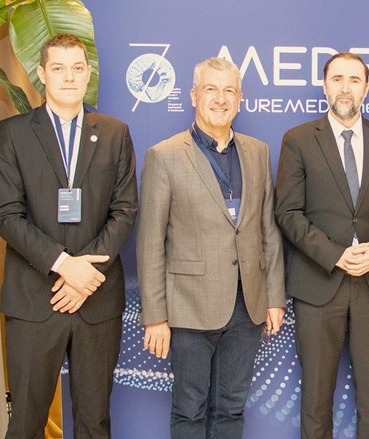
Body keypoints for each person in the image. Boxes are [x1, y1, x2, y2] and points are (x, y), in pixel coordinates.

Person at [0, 33, 138, 438]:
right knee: (26, 423)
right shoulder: (14, 133)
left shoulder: (115, 133)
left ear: (88, 73)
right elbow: (6, 215)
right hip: (34, 298)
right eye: (58, 68)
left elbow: (125, 211)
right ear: (42, 74)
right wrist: (64, 265)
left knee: (94, 423)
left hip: (96, 299)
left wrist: (85, 277)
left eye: (77, 68)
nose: (69, 77)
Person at [137, 57, 286, 438]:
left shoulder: (258, 152)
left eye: (229, 91)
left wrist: (274, 298)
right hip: (188, 308)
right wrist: (155, 317)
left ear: (240, 99)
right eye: (211, 90)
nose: (220, 99)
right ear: (193, 96)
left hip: (247, 307)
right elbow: (150, 242)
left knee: (231, 409)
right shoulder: (165, 155)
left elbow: (267, 230)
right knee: (189, 410)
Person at [275, 52, 369, 439]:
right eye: (337, 79)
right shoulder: (298, 139)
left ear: (366, 88)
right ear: (324, 85)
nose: (345, 88)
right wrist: (335, 255)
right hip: (318, 283)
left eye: (354, 80)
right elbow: (288, 213)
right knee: (316, 401)